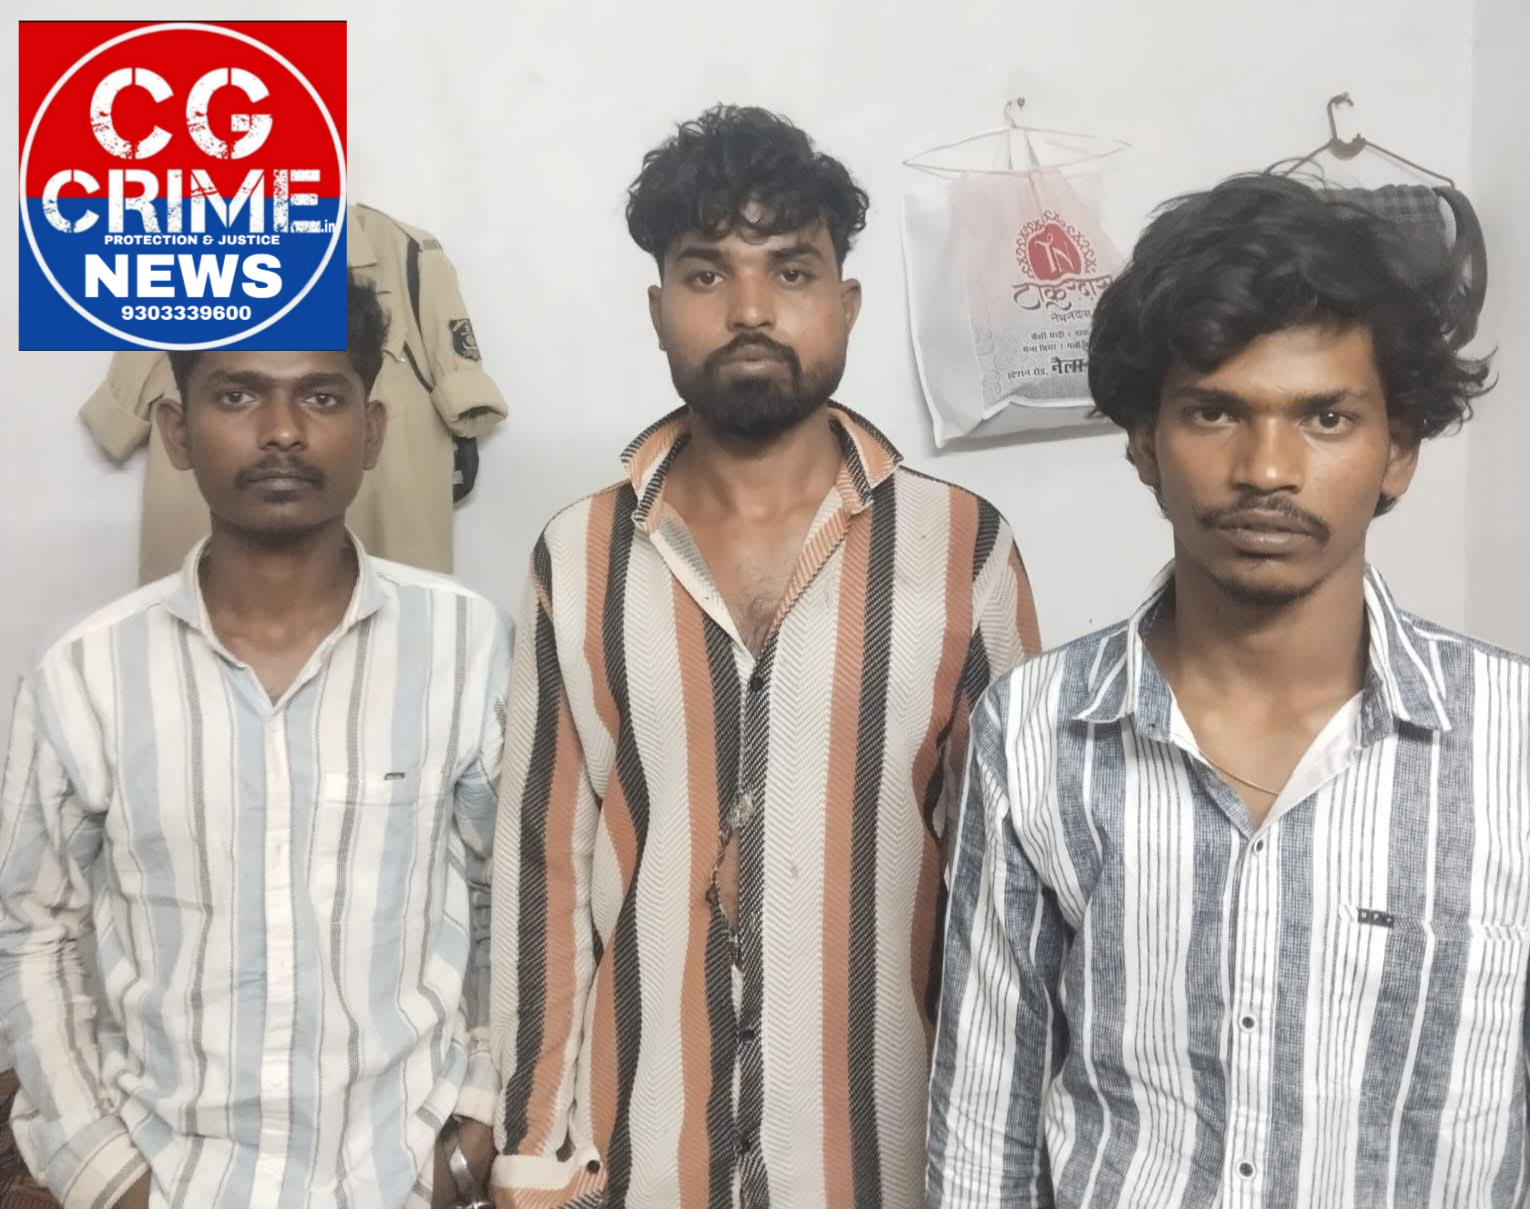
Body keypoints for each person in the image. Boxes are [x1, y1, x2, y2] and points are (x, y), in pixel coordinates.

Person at [925, 174, 1526, 1208]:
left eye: (1326, 416)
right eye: (1214, 411)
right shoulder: (1033, 734)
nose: (1267, 469)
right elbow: (986, 1129)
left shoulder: (1512, 744)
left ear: (1399, 452)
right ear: (1143, 441)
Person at [489, 105, 1041, 1209]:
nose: (749, 308)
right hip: (642, 1170)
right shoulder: (578, 554)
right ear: (658, 310)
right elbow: (542, 871)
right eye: (707, 273)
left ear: (846, 302)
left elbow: (1012, 888)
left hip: (890, 1172)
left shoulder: (962, 548)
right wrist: (533, 1152)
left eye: (791, 270)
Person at [0, 272, 507, 1209]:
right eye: (237, 395)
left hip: (404, 1175)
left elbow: (506, 902)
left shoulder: (466, 645)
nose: (282, 431)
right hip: (173, 1176)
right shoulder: (85, 676)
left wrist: (475, 1125)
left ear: (373, 431)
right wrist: (106, 1174)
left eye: (322, 396)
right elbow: (30, 933)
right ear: (177, 430)